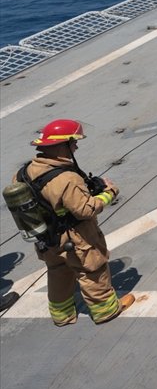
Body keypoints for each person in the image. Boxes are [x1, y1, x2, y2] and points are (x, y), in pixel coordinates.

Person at [10, 119, 135, 326]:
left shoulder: (23, 173)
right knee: (93, 271)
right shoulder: (67, 178)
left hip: (47, 238)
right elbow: (84, 210)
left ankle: (62, 316)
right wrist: (109, 193)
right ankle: (107, 311)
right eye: (73, 142)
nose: (76, 146)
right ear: (63, 145)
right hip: (75, 239)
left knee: (58, 271)